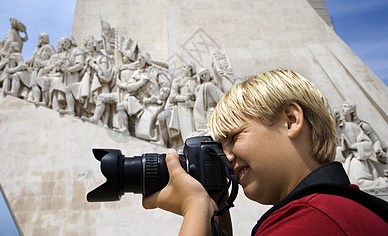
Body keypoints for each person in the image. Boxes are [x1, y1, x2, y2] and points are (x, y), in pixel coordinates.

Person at [143, 69, 387, 235]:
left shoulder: (312, 222)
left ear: (290, 121)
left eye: (234, 137)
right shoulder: (339, 208)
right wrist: (213, 214)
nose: (226, 156)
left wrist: (194, 208)